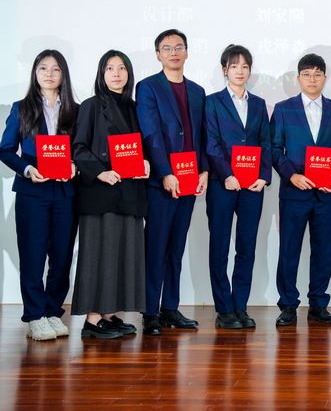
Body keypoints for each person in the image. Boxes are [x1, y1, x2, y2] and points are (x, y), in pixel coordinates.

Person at [0, 49, 78, 340]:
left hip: (65, 192)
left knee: (62, 255)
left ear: (63, 75)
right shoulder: (21, 108)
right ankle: (35, 315)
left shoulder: (75, 110)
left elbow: (82, 150)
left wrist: (75, 166)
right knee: (33, 255)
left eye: (55, 69)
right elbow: (6, 150)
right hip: (33, 191)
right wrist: (27, 168)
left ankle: (51, 310)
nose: (49, 74)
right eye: (43, 68)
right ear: (35, 73)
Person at [71, 50, 149, 338]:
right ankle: (92, 321)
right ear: (101, 74)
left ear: (129, 73)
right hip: (101, 191)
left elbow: (143, 146)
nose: (116, 73)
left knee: (124, 254)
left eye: (121, 68)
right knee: (98, 254)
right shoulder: (91, 106)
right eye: (109, 68)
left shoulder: (135, 108)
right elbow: (78, 147)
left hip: (130, 191)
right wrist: (100, 172)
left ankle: (110, 314)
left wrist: (146, 163)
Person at [136, 28, 208, 335]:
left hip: (190, 179)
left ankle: (170, 308)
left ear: (187, 52)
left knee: (176, 247)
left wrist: (204, 170)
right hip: (161, 182)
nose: (174, 52)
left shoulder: (197, 91)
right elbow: (150, 133)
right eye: (167, 48)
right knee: (156, 247)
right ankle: (150, 311)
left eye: (179, 47)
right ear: (158, 55)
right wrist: (165, 172)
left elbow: (202, 135)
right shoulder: (148, 87)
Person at [271, 53, 331, 327]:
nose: (312, 79)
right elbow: (274, 149)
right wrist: (291, 175)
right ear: (298, 78)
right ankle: (288, 305)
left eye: (317, 74)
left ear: (325, 78)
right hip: (294, 192)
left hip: (326, 194)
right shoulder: (283, 109)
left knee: (324, 249)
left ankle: (318, 304)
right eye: (307, 74)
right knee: (289, 249)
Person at [205, 44, 271, 330]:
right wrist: (226, 174)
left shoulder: (258, 104)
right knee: (219, 246)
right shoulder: (212, 102)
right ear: (225, 70)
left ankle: (240, 305)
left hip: (252, 187)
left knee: (247, 246)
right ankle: (224, 308)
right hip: (223, 185)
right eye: (234, 66)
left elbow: (265, 142)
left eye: (245, 66)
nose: (240, 71)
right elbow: (211, 143)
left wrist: (264, 176)